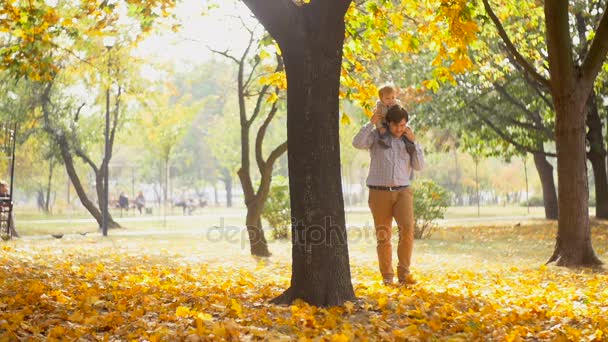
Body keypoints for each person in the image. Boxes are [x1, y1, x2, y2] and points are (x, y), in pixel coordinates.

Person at [352, 105, 425, 286]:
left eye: (402, 125)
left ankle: (404, 274)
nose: (399, 129)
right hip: (379, 193)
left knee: (407, 230)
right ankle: (387, 277)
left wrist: (415, 143)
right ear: (388, 123)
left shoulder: (407, 142)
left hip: (403, 192)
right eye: (395, 125)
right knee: (384, 236)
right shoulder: (377, 137)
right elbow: (357, 142)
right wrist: (371, 123)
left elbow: (419, 166)